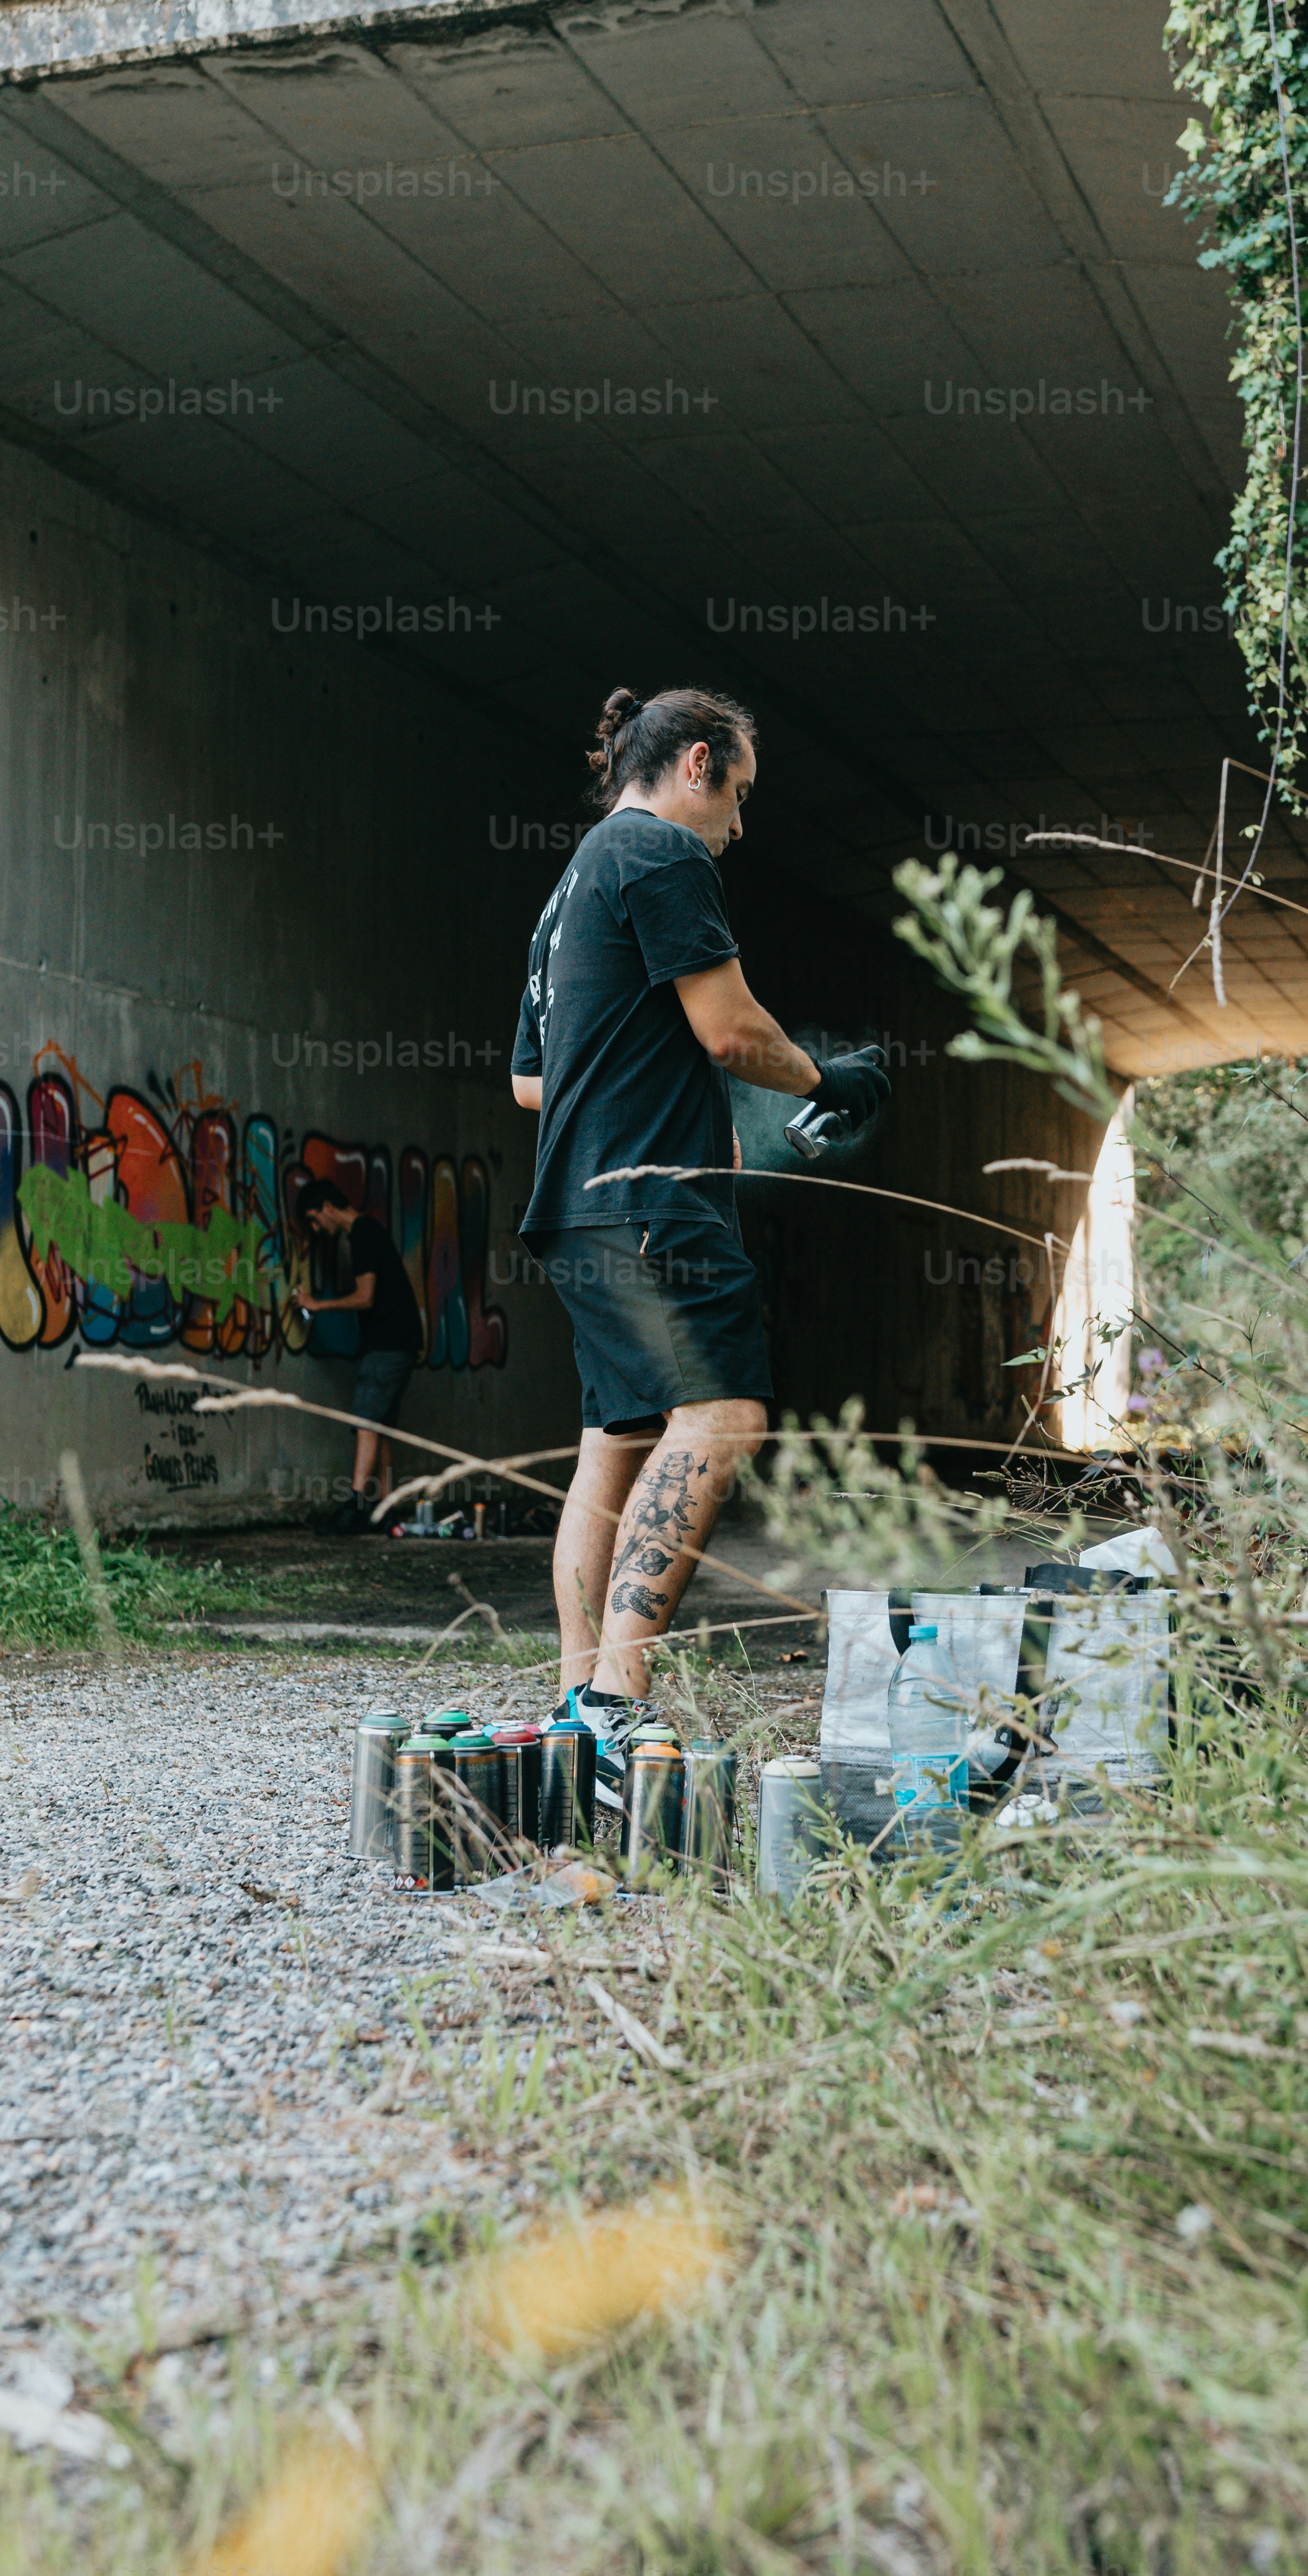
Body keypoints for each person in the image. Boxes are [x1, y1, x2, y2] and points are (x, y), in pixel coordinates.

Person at [510, 683, 890, 1805]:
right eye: (739, 795)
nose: (739, 824)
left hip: (574, 1202)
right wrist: (837, 1078)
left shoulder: (567, 886)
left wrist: (658, 1085)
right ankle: (620, 1706)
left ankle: (575, 1714)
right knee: (723, 1415)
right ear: (694, 762)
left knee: (613, 1442)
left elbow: (532, 1078)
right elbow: (729, 1027)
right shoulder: (664, 856)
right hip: (651, 1203)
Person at [292, 1179, 421, 1533]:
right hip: (401, 1342)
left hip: (387, 1344)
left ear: (328, 1207)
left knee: (366, 1422)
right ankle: (386, 1510)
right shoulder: (370, 1232)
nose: (317, 1229)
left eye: (315, 1220)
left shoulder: (362, 1234)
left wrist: (317, 1304)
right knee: (380, 1428)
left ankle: (354, 1508)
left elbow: (365, 1297)